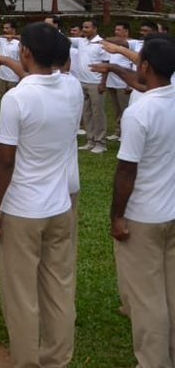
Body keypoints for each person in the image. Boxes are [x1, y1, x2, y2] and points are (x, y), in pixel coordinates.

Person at [0, 22, 81, 368]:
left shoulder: (16, 99)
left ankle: (28, 362)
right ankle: (57, 359)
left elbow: (5, 161)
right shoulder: (72, 89)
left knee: (21, 295)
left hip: (24, 210)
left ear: (25, 52)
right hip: (60, 206)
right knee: (59, 288)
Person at [111, 35, 175, 367]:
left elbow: (126, 171)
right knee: (171, 292)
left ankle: (153, 362)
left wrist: (117, 216)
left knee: (148, 298)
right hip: (171, 210)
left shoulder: (141, 111)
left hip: (144, 216)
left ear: (146, 66)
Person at [71, 19, 110, 154]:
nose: (84, 30)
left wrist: (103, 83)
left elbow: (106, 65)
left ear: (95, 29)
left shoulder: (101, 44)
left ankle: (101, 142)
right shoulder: (81, 41)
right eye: (83, 27)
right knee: (86, 112)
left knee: (97, 113)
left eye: (87, 27)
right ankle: (90, 140)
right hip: (82, 82)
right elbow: (62, 39)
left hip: (95, 83)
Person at [105, 23, 141, 141]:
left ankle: (126, 132)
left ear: (126, 32)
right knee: (117, 109)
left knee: (125, 109)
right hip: (112, 82)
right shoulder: (113, 46)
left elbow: (132, 66)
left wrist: (129, 84)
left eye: (119, 30)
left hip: (123, 83)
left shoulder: (131, 45)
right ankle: (118, 131)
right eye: (115, 29)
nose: (116, 32)